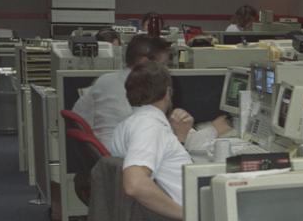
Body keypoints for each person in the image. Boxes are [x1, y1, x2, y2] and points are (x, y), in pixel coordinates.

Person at [72, 34, 230, 153]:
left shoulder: (105, 80)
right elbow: (170, 145)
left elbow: (77, 116)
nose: (167, 71)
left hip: (111, 159)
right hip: (134, 165)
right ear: (144, 62)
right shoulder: (144, 91)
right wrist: (214, 129)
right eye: (163, 65)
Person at [108, 63, 193, 221]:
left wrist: (179, 138)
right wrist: (188, 216)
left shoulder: (128, 124)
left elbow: (163, 171)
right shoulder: (150, 127)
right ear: (168, 92)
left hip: (161, 220)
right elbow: (134, 184)